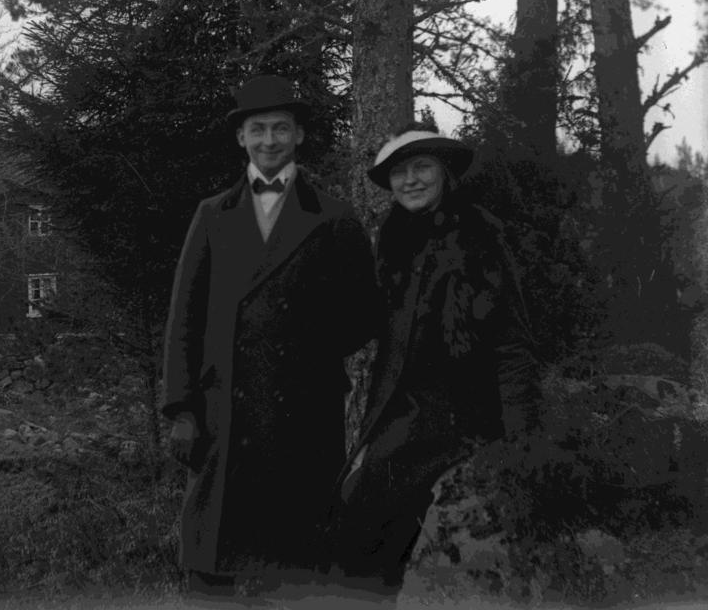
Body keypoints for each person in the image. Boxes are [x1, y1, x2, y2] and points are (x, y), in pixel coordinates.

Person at [162, 74, 380, 600]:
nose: (269, 141)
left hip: (305, 409)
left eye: (280, 129)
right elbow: (183, 319)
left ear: (299, 135)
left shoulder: (335, 216)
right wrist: (181, 410)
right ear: (241, 138)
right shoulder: (212, 215)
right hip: (223, 409)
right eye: (257, 130)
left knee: (295, 564)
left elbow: (364, 313)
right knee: (212, 562)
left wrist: (305, 348)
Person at [329, 122, 541, 600]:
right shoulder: (393, 237)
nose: (411, 180)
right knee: (354, 513)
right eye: (400, 172)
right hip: (398, 409)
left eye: (421, 167)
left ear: (445, 173)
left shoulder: (480, 232)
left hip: (462, 415)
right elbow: (372, 322)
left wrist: (520, 438)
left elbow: (512, 341)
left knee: (370, 515)